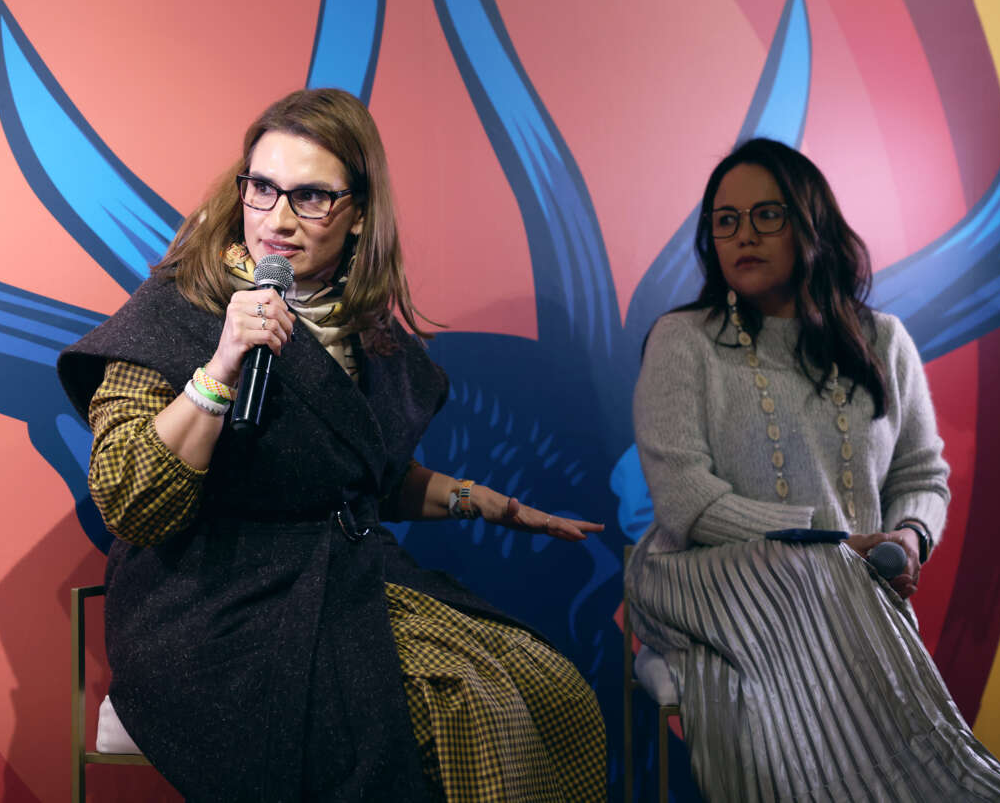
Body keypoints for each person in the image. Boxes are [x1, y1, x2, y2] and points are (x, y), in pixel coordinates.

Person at [58, 88, 606, 802]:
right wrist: (221, 366)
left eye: (311, 196)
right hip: (207, 606)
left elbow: (359, 477)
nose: (278, 220)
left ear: (357, 215)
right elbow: (132, 501)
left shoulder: (366, 329)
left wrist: (482, 502)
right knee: (457, 706)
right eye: (262, 188)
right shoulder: (174, 314)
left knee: (553, 686)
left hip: (341, 578)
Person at [624, 138, 1000, 801]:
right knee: (777, 695)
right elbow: (685, 502)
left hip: (843, 588)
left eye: (766, 215)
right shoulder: (685, 340)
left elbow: (922, 477)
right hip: (706, 575)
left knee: (847, 698)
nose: (742, 235)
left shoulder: (883, 342)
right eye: (724, 220)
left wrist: (907, 538)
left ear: (809, 223)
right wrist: (826, 540)